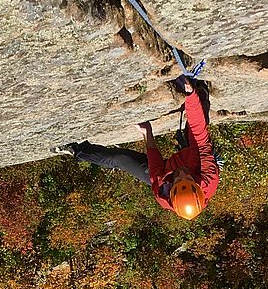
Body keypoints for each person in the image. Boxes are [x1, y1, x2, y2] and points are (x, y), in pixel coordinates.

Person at [53, 77, 219, 221]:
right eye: (188, 177)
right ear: (197, 184)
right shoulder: (208, 176)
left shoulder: (163, 192)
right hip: (193, 156)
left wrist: (147, 132)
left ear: (172, 189)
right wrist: (191, 95)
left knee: (119, 159)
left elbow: (155, 164)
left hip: (166, 171)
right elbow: (199, 132)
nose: (182, 173)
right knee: (196, 123)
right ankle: (200, 93)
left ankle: (77, 150)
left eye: (179, 179)